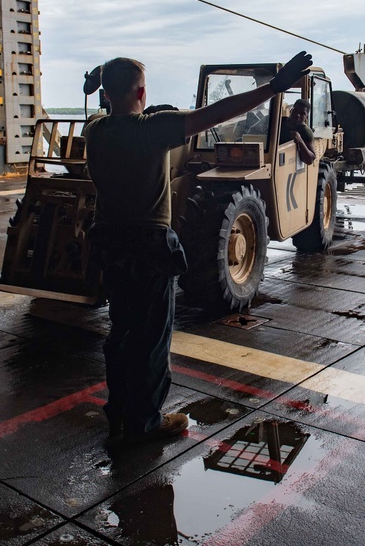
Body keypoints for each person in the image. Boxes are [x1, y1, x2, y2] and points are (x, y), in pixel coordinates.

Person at [84, 51, 313, 447]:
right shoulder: (154, 129)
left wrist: (100, 89)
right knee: (152, 338)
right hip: (147, 245)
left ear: (105, 93)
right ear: (142, 91)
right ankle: (146, 422)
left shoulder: (95, 130)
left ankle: (120, 411)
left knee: (121, 332)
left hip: (110, 242)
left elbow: (108, 109)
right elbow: (218, 112)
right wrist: (275, 88)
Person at [278, 99, 315, 165]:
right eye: (296, 111)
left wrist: (300, 141)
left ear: (306, 117)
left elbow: (310, 160)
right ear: (291, 110)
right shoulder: (278, 123)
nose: (298, 115)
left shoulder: (305, 131)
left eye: (302, 113)